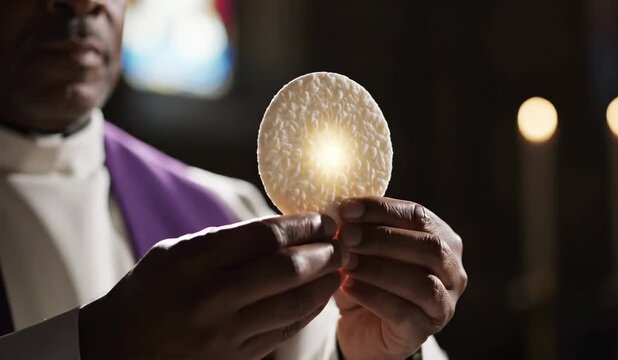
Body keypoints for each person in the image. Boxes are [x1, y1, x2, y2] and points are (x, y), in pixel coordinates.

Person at [0, 1, 468, 359]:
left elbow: (349, 344)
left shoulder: (232, 214)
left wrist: (374, 351)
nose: (84, 3)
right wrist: (97, 346)